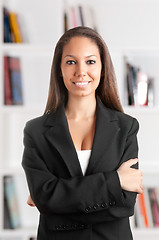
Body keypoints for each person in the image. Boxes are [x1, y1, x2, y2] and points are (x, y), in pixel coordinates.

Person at [22, 26, 143, 240]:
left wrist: (58, 203)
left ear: (103, 68)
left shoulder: (126, 127)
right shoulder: (36, 132)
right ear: (59, 69)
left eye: (90, 61)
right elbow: (45, 198)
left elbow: (124, 205)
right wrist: (114, 181)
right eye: (71, 62)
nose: (81, 71)